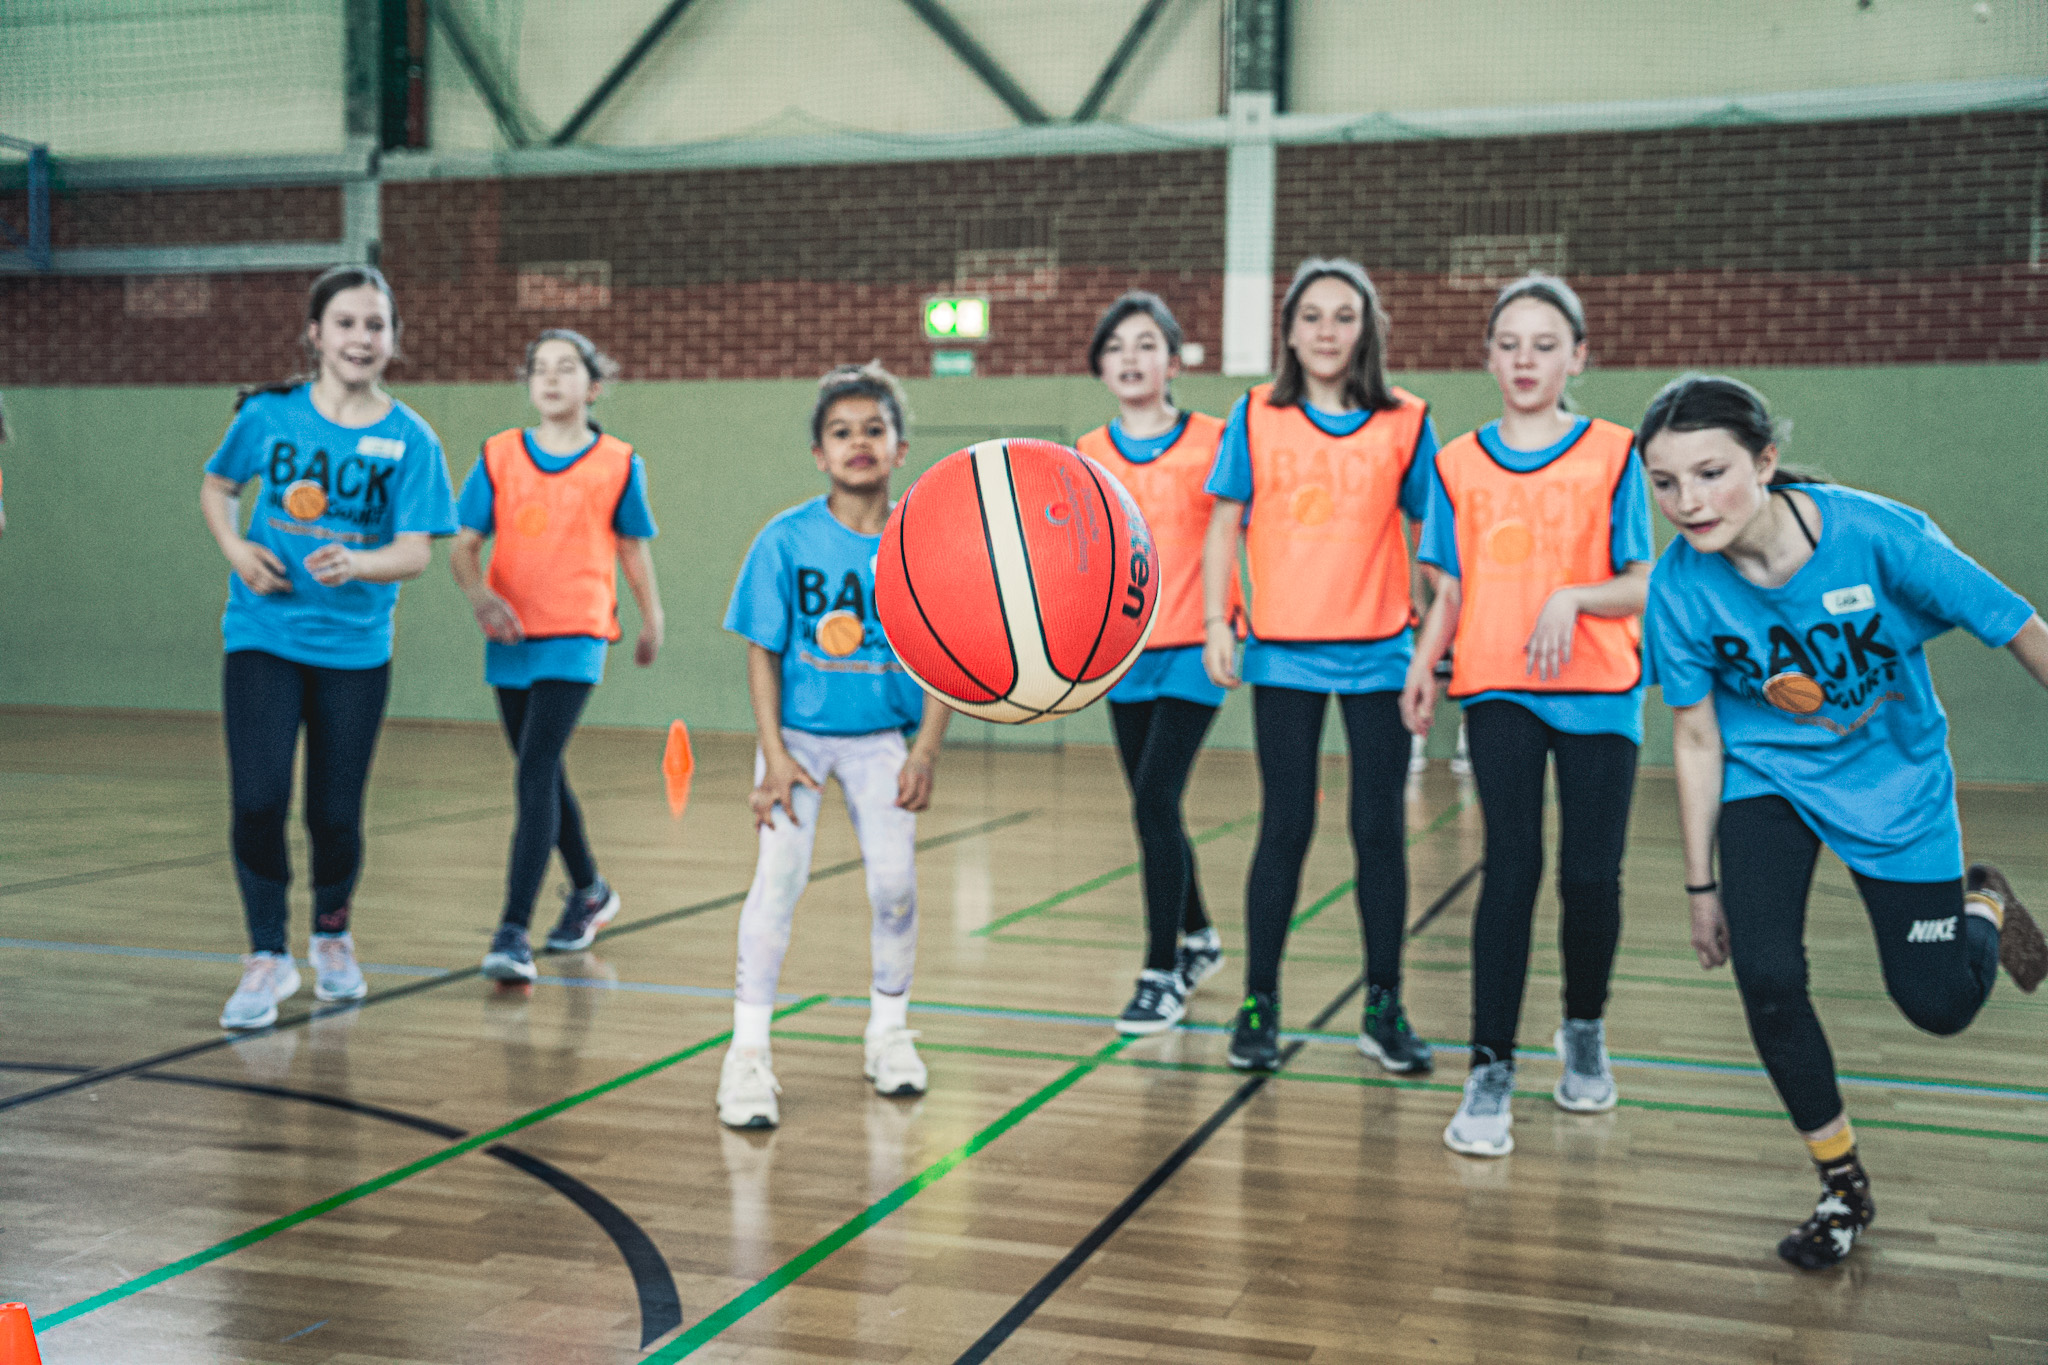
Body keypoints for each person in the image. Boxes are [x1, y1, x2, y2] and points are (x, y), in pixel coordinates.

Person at [1639, 372, 2048, 1268]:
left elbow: (2019, 626)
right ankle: (1841, 1185)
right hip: (1765, 779)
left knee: (1937, 1004)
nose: (1687, 502)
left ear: (1767, 461)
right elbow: (1699, 737)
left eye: (1710, 473)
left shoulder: (1874, 534)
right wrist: (1702, 886)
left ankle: (1985, 906)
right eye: (1665, 483)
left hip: (1894, 783)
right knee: (1769, 973)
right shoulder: (1680, 587)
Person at [1402, 275, 1653, 1157]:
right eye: (1509, 343)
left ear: (1577, 356)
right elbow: (1450, 584)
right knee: (1509, 867)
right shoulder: (1458, 462)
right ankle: (1489, 1067)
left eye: (1546, 344)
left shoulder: (1616, 453)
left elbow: (1642, 580)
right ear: (1488, 355)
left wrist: (1575, 597)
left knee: (1592, 878)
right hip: (1498, 686)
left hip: (1600, 691)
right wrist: (1424, 664)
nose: (1525, 360)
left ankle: (1583, 1028)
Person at [199, 264, 455, 1029]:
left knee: (334, 815)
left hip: (353, 648)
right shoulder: (269, 417)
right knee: (257, 797)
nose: (360, 338)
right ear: (315, 334)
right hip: (262, 635)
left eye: (375, 325)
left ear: (392, 341)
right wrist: (237, 551)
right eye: (345, 323)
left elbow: (415, 550)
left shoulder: (410, 439)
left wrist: (359, 563)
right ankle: (266, 956)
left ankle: (332, 937)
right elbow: (217, 487)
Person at [1201, 257, 1439, 1074]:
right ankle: (1259, 1000)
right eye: (1312, 316)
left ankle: (1383, 1005)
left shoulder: (1405, 419)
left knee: (1379, 834)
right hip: (1283, 658)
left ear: (1367, 329)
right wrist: (1215, 620)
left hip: (1379, 655)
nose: (1327, 331)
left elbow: (1435, 544)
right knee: (1285, 828)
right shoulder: (1257, 416)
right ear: (1290, 331)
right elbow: (1222, 524)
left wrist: (1434, 652)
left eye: (1344, 316)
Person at [716, 362, 953, 1128]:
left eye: (874, 430)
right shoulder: (785, 540)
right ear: (819, 453)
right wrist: (773, 753)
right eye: (841, 432)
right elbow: (760, 648)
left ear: (901, 447)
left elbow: (951, 654)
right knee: (778, 880)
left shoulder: (925, 544)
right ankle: (747, 1054)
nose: (859, 443)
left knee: (894, 887)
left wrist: (925, 750)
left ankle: (889, 1031)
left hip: (883, 738)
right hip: (799, 744)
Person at [449, 329, 664, 982]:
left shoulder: (620, 462)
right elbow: (462, 546)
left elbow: (633, 547)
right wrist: (481, 596)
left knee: (535, 768)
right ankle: (591, 889)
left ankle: (512, 930)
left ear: (592, 386)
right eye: (539, 367)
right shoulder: (498, 454)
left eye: (566, 367)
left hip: (578, 632)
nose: (550, 378)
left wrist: (652, 616)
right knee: (541, 770)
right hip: (511, 634)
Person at [1075, 292, 1237, 1034]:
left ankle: (1160, 969)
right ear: (1101, 367)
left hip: (1197, 646)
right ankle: (1200, 935)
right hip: (1121, 653)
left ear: (1174, 360)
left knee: (1152, 799)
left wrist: (1233, 621)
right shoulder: (1089, 452)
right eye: (1116, 348)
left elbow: (1243, 534)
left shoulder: (1217, 438)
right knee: (1154, 805)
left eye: (1146, 345)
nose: (1131, 359)